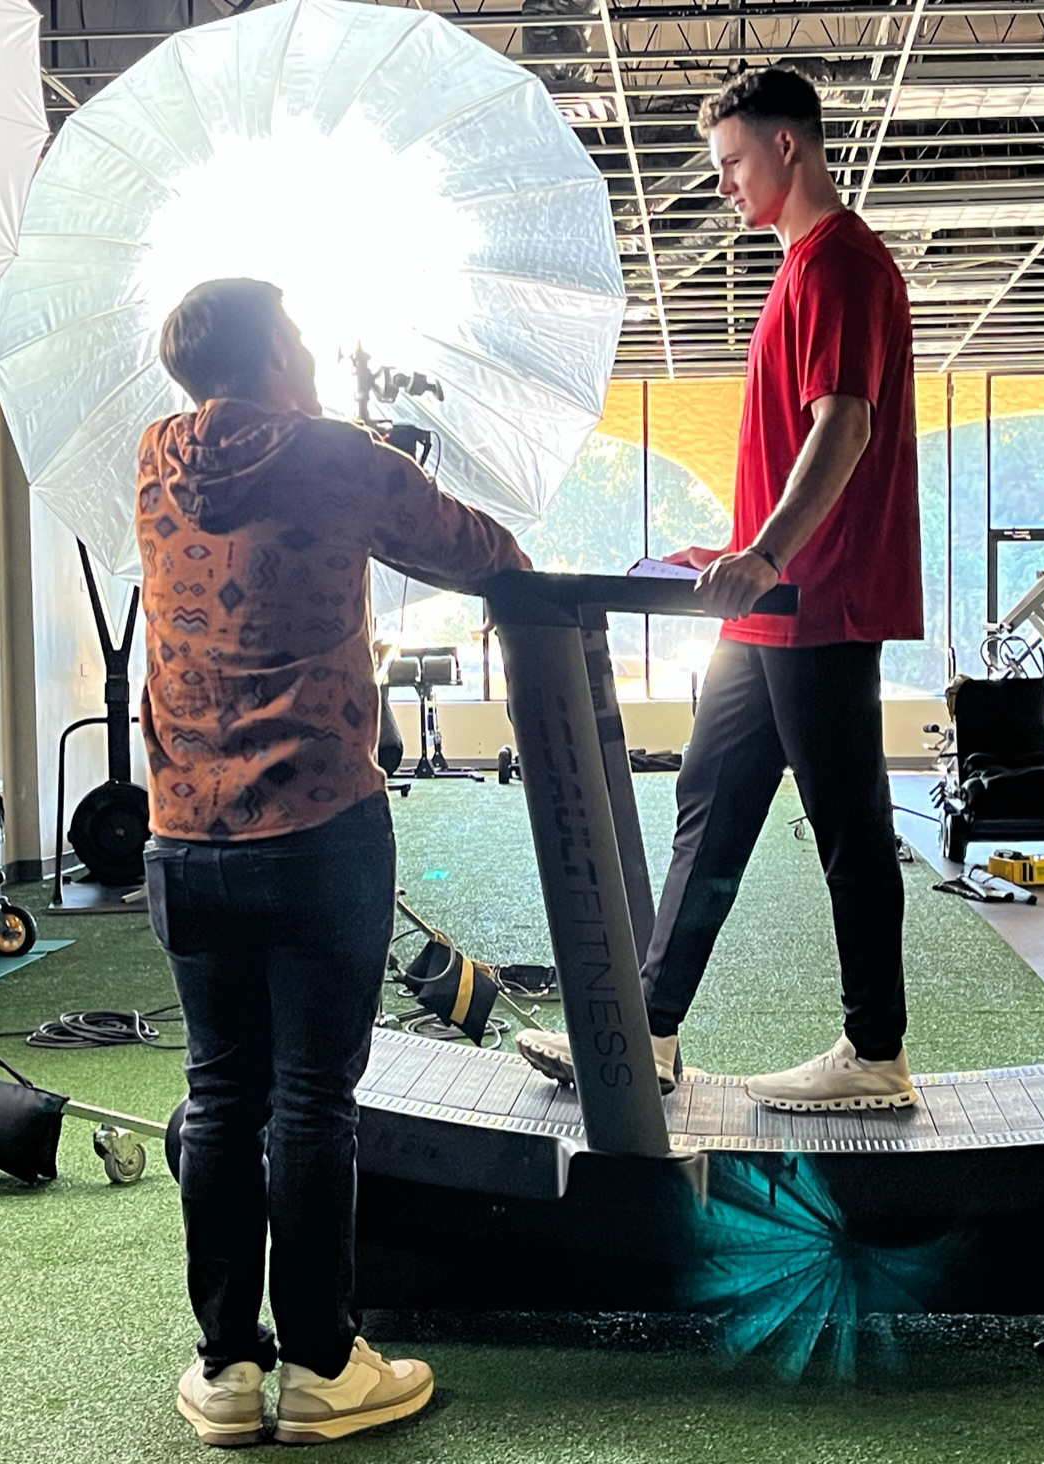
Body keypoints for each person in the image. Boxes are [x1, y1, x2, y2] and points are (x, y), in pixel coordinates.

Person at [140, 279, 529, 1447]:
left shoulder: (154, 456)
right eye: (296, 335)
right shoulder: (340, 459)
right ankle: (319, 1365)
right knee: (311, 1102)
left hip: (181, 835)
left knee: (220, 1095)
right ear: (269, 350)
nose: (309, 349)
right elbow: (475, 549)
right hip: (316, 826)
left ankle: (226, 1372)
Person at [516, 65, 922, 1114]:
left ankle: (875, 1051)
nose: (725, 184)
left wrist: (774, 555)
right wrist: (737, 549)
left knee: (848, 824)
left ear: (788, 146)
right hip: (768, 608)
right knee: (711, 805)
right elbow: (804, 442)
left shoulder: (839, 264)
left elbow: (845, 428)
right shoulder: (800, 269)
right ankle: (647, 1031)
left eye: (735, 161)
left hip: (814, 605)